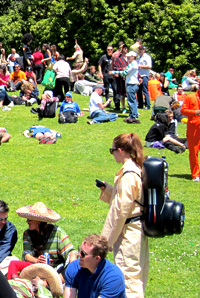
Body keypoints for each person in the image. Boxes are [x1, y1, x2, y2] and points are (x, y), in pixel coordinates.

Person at [98, 133, 148, 297]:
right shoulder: (136, 169)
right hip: (136, 227)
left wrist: (107, 240)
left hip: (129, 232)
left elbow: (120, 211)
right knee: (136, 273)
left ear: (120, 150)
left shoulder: (128, 174)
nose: (112, 153)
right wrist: (109, 190)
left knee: (128, 276)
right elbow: (131, 201)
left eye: (112, 150)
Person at [6, 202, 77, 280]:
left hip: (54, 269)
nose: (27, 221)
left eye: (29, 219)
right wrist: (37, 260)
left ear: (38, 221)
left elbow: (71, 252)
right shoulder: (27, 234)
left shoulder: (57, 232)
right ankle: (14, 286)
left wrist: (71, 268)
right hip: (36, 266)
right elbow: (26, 255)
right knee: (13, 264)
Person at [63, 234, 126, 298]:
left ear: (97, 258)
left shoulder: (113, 278)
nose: (79, 255)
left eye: (83, 253)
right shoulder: (74, 268)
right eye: (79, 250)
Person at [111, 51, 140, 124]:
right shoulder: (135, 64)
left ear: (133, 57)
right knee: (133, 99)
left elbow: (124, 73)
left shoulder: (132, 64)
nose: (128, 57)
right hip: (134, 83)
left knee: (131, 100)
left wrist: (114, 72)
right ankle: (135, 113)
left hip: (131, 84)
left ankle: (133, 115)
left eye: (129, 56)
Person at [181, 87, 200, 181]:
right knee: (193, 152)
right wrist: (194, 112)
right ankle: (195, 174)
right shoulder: (190, 97)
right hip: (193, 129)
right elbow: (183, 110)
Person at [136, 46, 152, 110]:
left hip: (144, 75)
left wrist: (140, 66)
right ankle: (140, 104)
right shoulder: (139, 57)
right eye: (139, 49)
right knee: (138, 91)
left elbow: (149, 66)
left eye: (141, 49)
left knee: (145, 90)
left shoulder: (147, 57)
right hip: (139, 75)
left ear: (144, 50)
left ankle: (147, 105)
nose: (140, 51)